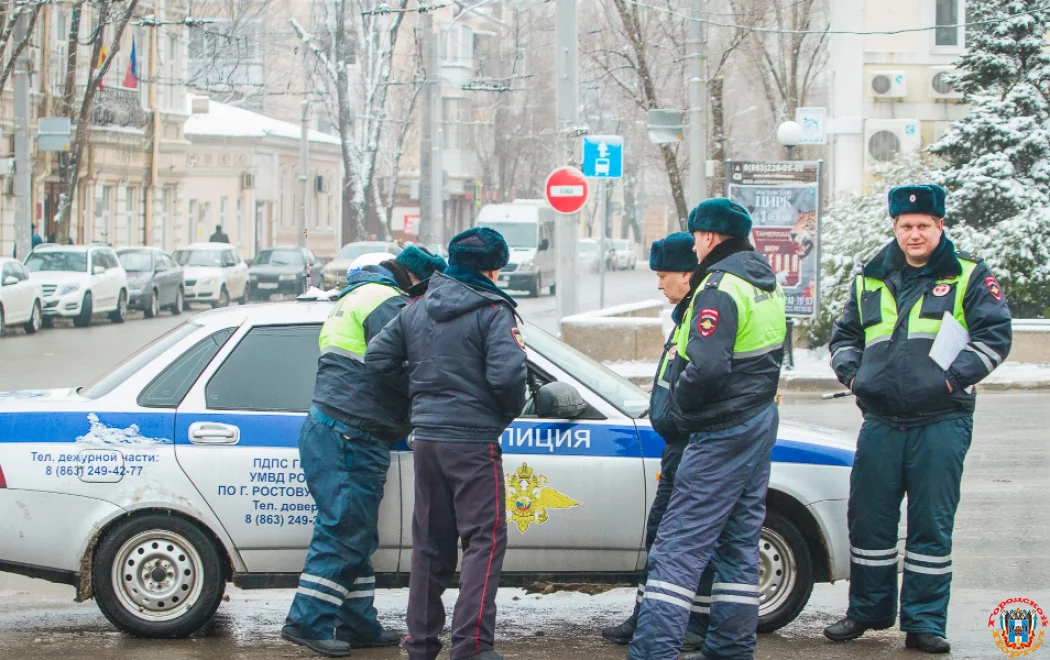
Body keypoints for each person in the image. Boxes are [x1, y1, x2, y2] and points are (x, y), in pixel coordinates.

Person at [823, 185, 1012, 654]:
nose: (914, 234)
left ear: (940, 227)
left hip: (941, 420)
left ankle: (924, 622)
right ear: (894, 227)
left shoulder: (968, 274)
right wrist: (853, 376)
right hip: (882, 420)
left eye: (924, 225)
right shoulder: (870, 275)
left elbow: (994, 336)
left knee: (930, 524)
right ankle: (867, 611)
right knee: (869, 521)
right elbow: (845, 335)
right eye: (906, 226)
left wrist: (951, 380)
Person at [628, 198, 786, 660]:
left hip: (720, 429)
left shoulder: (718, 286)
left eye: (696, 237)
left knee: (678, 546)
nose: (693, 246)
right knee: (738, 544)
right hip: (757, 421)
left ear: (710, 237)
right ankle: (732, 648)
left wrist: (677, 408)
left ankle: (652, 650)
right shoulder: (765, 282)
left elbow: (708, 368)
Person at [366, 227, 527, 660]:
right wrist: (498, 415)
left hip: (427, 440)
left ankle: (419, 644)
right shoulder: (493, 310)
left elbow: (377, 358)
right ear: (493, 268)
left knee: (430, 544)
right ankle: (472, 646)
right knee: (483, 541)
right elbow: (510, 378)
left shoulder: (416, 308)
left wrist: (420, 395)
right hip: (473, 441)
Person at [282, 246, 447, 658]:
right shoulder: (388, 302)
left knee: (355, 530)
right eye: (424, 290)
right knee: (344, 530)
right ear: (413, 279)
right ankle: (308, 620)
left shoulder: (354, 297)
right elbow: (402, 364)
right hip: (352, 433)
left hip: (335, 428)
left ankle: (357, 622)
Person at [601, 232, 707, 652]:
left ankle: (695, 623)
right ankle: (647, 614)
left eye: (664, 275)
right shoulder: (685, 314)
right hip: (677, 444)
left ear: (688, 273)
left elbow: (702, 379)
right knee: (660, 534)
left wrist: (677, 417)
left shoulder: (702, 313)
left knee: (686, 541)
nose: (659, 284)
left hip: (693, 444)